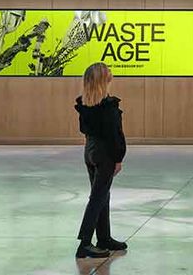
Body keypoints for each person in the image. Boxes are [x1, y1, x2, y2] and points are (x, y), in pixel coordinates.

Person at [74, 62, 128, 259]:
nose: (111, 74)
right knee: (97, 198)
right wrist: (118, 158)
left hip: (90, 151)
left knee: (102, 195)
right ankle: (85, 243)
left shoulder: (85, 104)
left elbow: (84, 130)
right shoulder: (108, 106)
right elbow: (115, 135)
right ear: (103, 80)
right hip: (105, 154)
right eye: (108, 73)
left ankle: (104, 238)